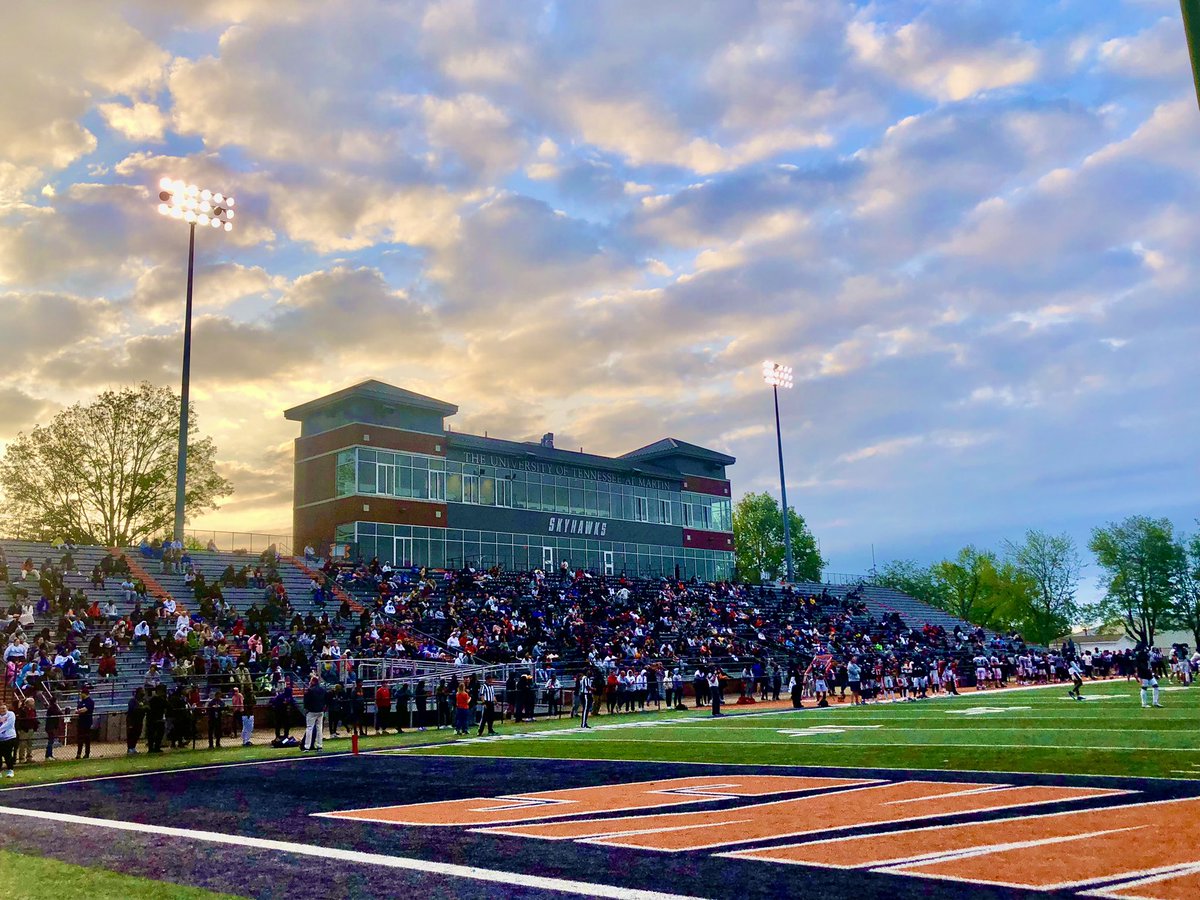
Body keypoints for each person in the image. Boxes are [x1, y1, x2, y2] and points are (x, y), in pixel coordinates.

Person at [302, 676, 327, 752]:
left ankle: (307, 746)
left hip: (312, 711)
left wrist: (306, 709)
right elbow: (326, 699)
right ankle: (320, 746)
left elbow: (306, 701)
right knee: (319, 728)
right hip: (320, 711)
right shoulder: (323, 690)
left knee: (309, 728)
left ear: (313, 682)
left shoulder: (310, 690)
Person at [75, 686, 95, 759]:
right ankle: (78, 754)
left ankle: (87, 753)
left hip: (87, 722)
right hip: (80, 722)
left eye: (82, 693)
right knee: (80, 738)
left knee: (87, 738)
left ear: (85, 694)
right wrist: (79, 710)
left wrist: (79, 711)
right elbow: (77, 709)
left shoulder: (90, 701)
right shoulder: (81, 702)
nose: (80, 695)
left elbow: (85, 709)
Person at [16, 698, 37, 764]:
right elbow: (20, 720)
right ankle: (21, 758)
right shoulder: (22, 710)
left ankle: (29, 757)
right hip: (24, 729)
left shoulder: (33, 710)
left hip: (31, 728)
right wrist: (19, 729)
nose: (33, 703)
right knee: (23, 744)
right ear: (28, 703)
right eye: (32, 701)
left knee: (30, 743)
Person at [126, 688, 147, 754]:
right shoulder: (132, 701)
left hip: (139, 720)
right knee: (131, 734)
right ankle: (130, 748)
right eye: (141, 692)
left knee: (137, 734)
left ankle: (133, 748)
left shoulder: (143, 701)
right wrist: (141, 708)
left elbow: (147, 707)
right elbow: (132, 709)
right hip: (132, 720)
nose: (143, 693)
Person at [0, 701, 17, 777]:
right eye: (1, 709)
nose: (2, 710)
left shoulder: (11, 714)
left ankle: (10, 770)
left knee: (8, 755)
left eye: (4, 708)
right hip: (0, 738)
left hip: (9, 738)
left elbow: (8, 725)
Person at [241, 681, 257, 746]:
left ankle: (246, 740)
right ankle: (245, 741)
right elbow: (247, 705)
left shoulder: (250, 696)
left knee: (249, 727)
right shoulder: (246, 697)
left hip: (249, 713)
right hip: (247, 714)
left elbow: (254, 702)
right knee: (247, 728)